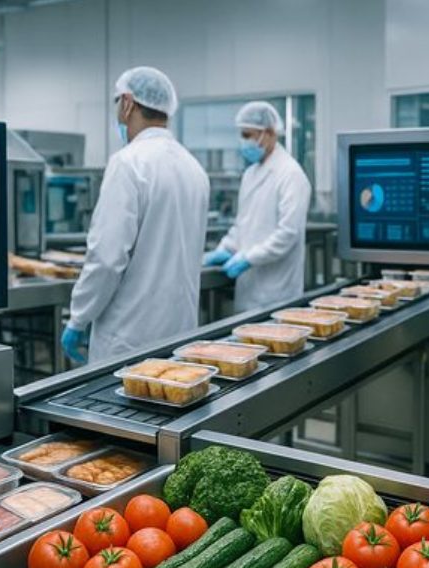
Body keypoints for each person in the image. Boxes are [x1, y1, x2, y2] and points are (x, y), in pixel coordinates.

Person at [61, 67, 209, 363]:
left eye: (117, 103)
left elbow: (106, 258)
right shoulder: (194, 168)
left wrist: (78, 318)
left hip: (129, 337)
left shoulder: (129, 164)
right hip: (180, 332)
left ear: (128, 103)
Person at [202, 101, 311, 312]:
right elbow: (242, 224)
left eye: (247, 135)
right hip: (248, 290)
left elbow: (288, 234)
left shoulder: (291, 175)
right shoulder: (250, 174)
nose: (243, 142)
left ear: (269, 133)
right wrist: (225, 248)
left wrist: (248, 257)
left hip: (277, 292)